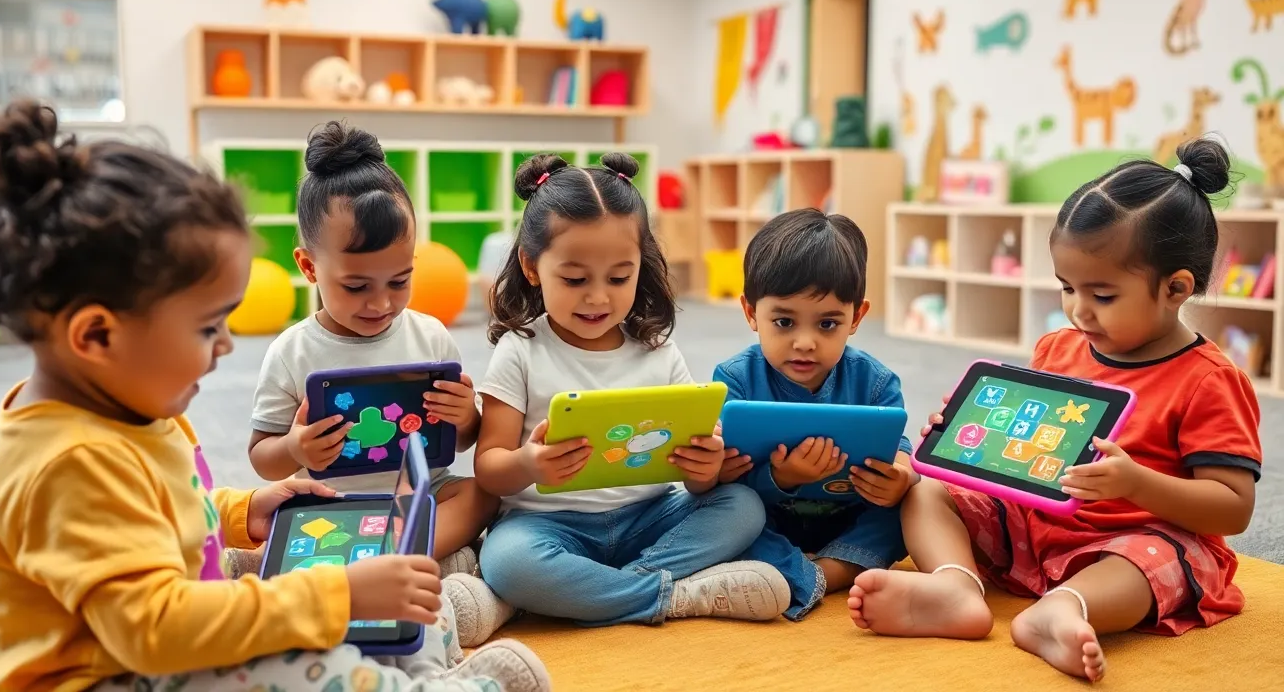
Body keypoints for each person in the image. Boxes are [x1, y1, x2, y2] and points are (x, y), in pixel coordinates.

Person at [0, 101, 549, 692]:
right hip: (115, 675)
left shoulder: (121, 412)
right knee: (310, 662)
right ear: (96, 336)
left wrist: (241, 512)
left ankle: (425, 656)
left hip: (163, 639)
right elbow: (154, 631)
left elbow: (155, 508)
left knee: (371, 602)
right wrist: (336, 595)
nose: (225, 346)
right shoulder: (72, 462)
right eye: (206, 328)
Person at [848, 138, 1262, 683]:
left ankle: (1064, 609)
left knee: (1162, 559)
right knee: (927, 490)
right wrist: (969, 437)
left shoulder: (1209, 381)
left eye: (1102, 295)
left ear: (1175, 288)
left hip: (1134, 540)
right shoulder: (1057, 349)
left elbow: (1233, 509)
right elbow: (1026, 449)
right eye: (1067, 287)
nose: (1077, 310)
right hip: (1035, 525)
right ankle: (955, 585)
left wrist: (1136, 484)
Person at [441, 153, 788, 647]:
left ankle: (575, 594)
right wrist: (530, 463)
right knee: (509, 561)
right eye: (575, 279)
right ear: (531, 267)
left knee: (742, 505)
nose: (598, 298)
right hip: (546, 525)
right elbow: (489, 469)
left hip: (649, 517)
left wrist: (704, 465)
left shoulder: (658, 351)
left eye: (619, 278)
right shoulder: (521, 350)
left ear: (640, 267)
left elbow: (696, 481)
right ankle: (678, 596)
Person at [245, 122, 496, 579]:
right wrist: (296, 447)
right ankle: (411, 561)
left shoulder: (431, 336)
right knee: (288, 515)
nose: (381, 303)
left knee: (482, 493)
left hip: (420, 494)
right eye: (357, 286)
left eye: (399, 281)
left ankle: (387, 561)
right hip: (331, 501)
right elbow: (262, 456)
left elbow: (459, 442)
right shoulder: (291, 351)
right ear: (309, 267)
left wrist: (465, 417)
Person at [714, 210, 915, 620]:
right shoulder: (734, 380)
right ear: (751, 313)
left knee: (913, 506)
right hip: (768, 520)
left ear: (856, 317)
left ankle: (820, 573)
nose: (805, 342)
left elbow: (901, 449)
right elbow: (725, 475)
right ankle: (808, 571)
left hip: (849, 516)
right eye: (784, 322)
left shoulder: (875, 382)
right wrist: (782, 477)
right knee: (723, 507)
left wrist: (900, 478)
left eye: (827, 324)